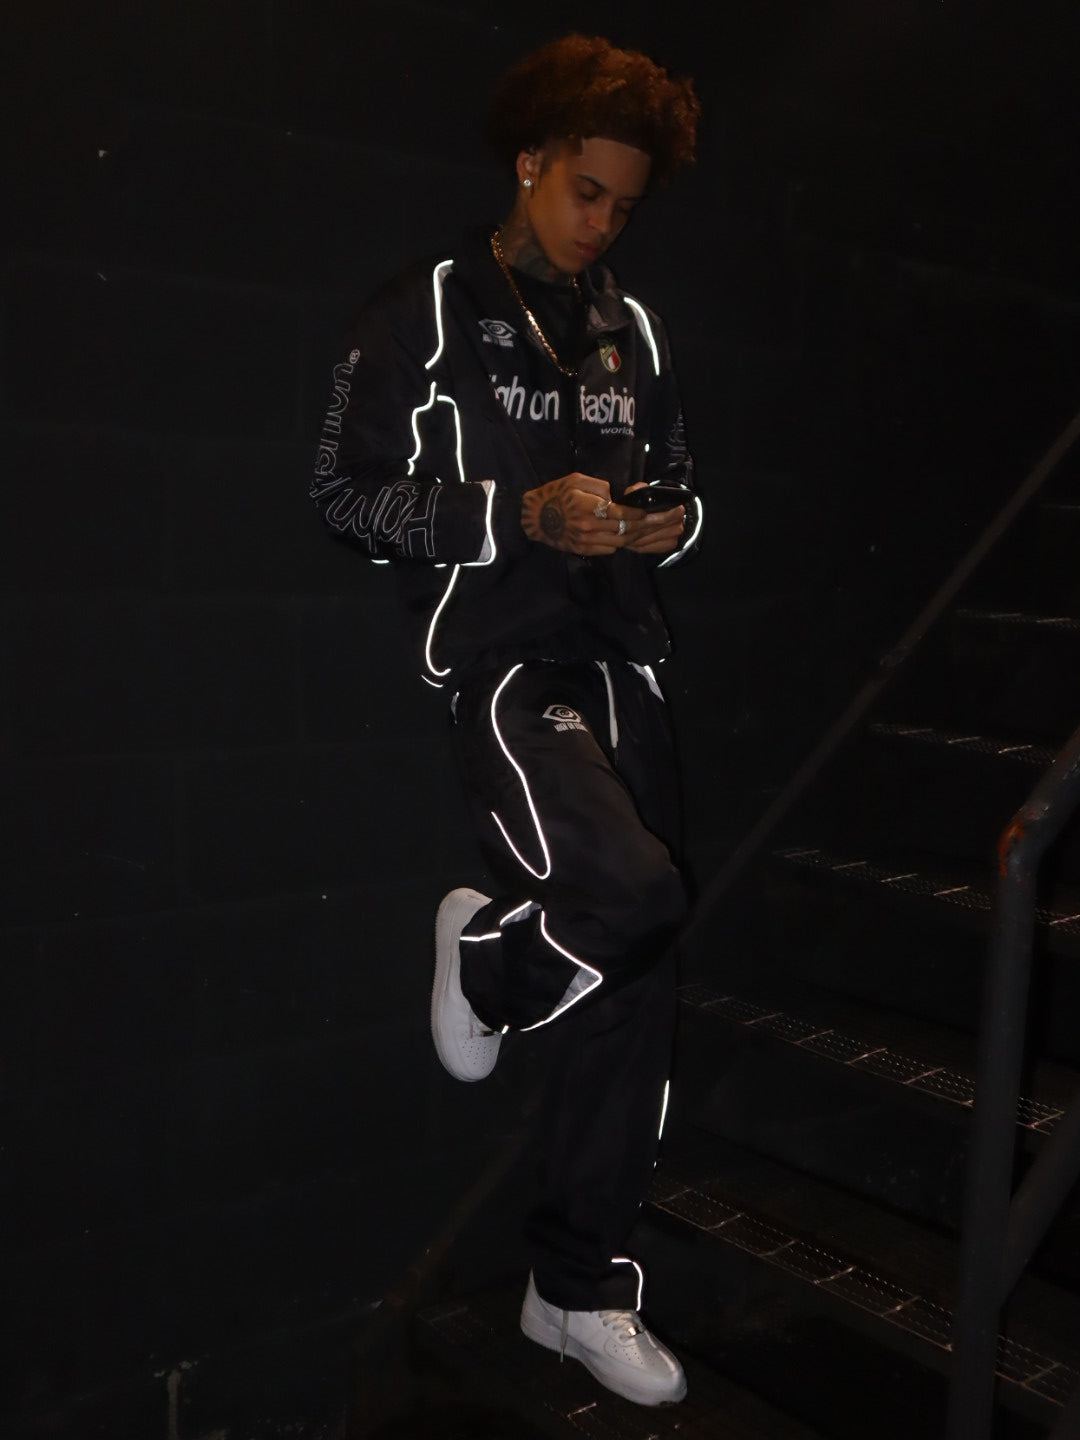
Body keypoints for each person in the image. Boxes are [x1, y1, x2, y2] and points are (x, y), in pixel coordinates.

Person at [311, 34, 702, 1408]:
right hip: (503, 660)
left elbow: (681, 490)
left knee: (637, 983)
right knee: (634, 893)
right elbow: (344, 495)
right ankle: (485, 961)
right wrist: (513, 515)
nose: (603, 223)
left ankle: (575, 1290)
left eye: (625, 206)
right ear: (530, 162)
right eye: (586, 191)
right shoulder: (426, 308)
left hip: (625, 664)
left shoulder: (631, 330)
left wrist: (657, 525)